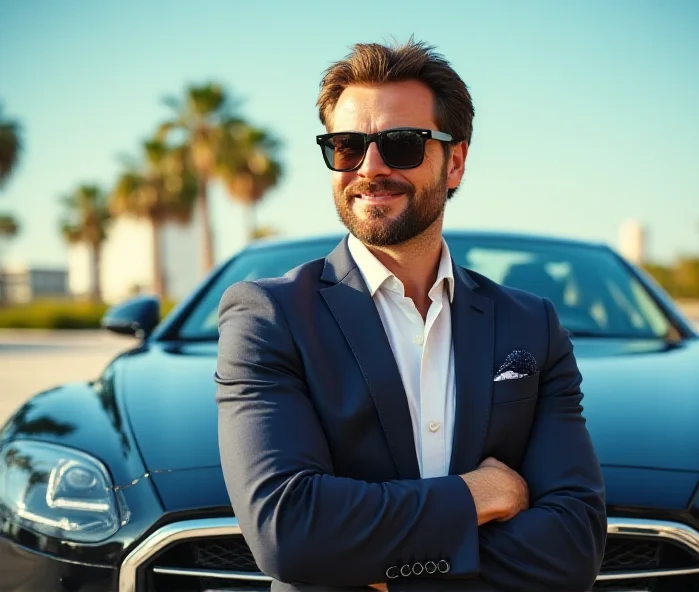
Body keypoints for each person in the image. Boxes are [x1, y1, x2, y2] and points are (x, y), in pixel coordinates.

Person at [215, 38, 607, 592]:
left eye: (402, 144)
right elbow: (290, 530)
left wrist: (370, 564)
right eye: (347, 146)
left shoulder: (532, 326)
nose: (370, 168)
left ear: (456, 162)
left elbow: (572, 547)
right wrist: (482, 494)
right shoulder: (267, 317)